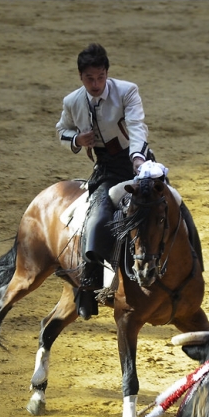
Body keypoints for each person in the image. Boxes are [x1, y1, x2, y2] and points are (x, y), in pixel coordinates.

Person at [56, 43, 150, 319]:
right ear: (80, 77)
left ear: (107, 74)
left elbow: (136, 126)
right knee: (97, 218)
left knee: (169, 203)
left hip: (135, 161)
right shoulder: (72, 101)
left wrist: (138, 159)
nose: (96, 84)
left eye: (100, 77)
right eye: (89, 79)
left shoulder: (127, 91)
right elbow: (61, 130)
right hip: (107, 170)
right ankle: (89, 285)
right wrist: (76, 139)